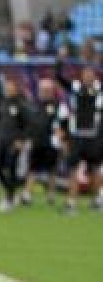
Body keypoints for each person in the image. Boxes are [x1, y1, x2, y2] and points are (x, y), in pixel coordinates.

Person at [54, 59, 103, 214]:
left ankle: (97, 201)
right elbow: (59, 78)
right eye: (85, 74)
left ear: (95, 76)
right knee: (73, 169)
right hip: (77, 136)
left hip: (94, 137)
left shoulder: (100, 89)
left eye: (90, 74)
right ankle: (71, 203)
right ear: (81, 76)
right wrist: (59, 62)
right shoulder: (75, 87)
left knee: (95, 169)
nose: (88, 77)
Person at [0, 77, 33, 213]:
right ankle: (9, 190)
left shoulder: (22, 104)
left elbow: (28, 124)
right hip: (1, 140)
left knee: (11, 169)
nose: (8, 89)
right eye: (7, 87)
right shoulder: (3, 103)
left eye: (10, 87)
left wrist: (21, 139)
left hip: (14, 142)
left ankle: (9, 199)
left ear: (16, 88)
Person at [23, 78, 63, 206]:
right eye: (41, 90)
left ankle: (51, 196)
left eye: (46, 90)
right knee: (33, 169)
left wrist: (60, 140)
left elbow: (62, 124)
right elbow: (31, 124)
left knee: (52, 170)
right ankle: (27, 195)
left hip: (51, 143)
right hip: (37, 142)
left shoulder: (58, 105)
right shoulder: (35, 105)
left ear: (51, 91)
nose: (43, 92)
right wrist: (28, 138)